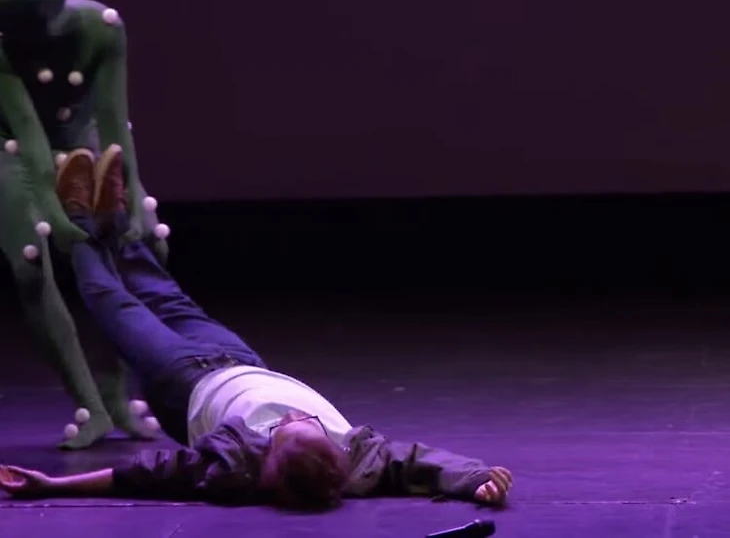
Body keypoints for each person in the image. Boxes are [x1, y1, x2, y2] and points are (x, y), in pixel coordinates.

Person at [0, 146, 514, 509]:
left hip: (185, 383)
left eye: (287, 427)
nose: (295, 415)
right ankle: (116, 226)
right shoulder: (358, 457)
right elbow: (416, 461)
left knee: (115, 305)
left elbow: (146, 473)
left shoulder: (234, 463)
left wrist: (53, 487)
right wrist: (474, 478)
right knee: (164, 293)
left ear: (267, 454)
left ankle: (79, 225)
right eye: (307, 423)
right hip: (240, 360)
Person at [0, 0, 168, 448]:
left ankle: (116, 395)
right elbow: (27, 133)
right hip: (9, 145)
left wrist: (132, 196)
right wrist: (53, 215)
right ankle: (89, 405)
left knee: (141, 241)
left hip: (78, 134)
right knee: (31, 263)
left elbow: (114, 122)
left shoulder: (102, 28)